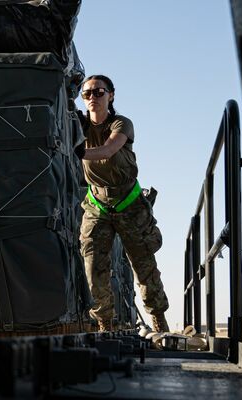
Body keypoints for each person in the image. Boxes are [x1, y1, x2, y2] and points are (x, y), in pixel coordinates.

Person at [77, 75, 170, 332]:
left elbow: (108, 150)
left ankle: (159, 321)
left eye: (98, 92)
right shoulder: (78, 124)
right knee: (94, 266)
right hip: (97, 204)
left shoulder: (121, 124)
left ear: (111, 95)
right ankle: (105, 324)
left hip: (129, 203)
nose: (92, 98)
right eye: (87, 94)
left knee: (144, 266)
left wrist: (80, 152)